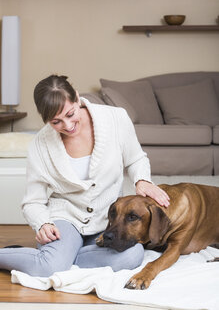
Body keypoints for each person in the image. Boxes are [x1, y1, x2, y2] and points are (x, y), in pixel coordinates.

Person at [0, 75, 170, 277]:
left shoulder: (116, 118)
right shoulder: (40, 145)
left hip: (107, 219)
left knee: (132, 255)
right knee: (48, 268)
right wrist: (43, 223)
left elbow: (136, 159)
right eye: (56, 121)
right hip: (64, 219)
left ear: (77, 98)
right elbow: (32, 201)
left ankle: (60, 258)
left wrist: (142, 179)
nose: (68, 125)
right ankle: (54, 259)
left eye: (70, 114)